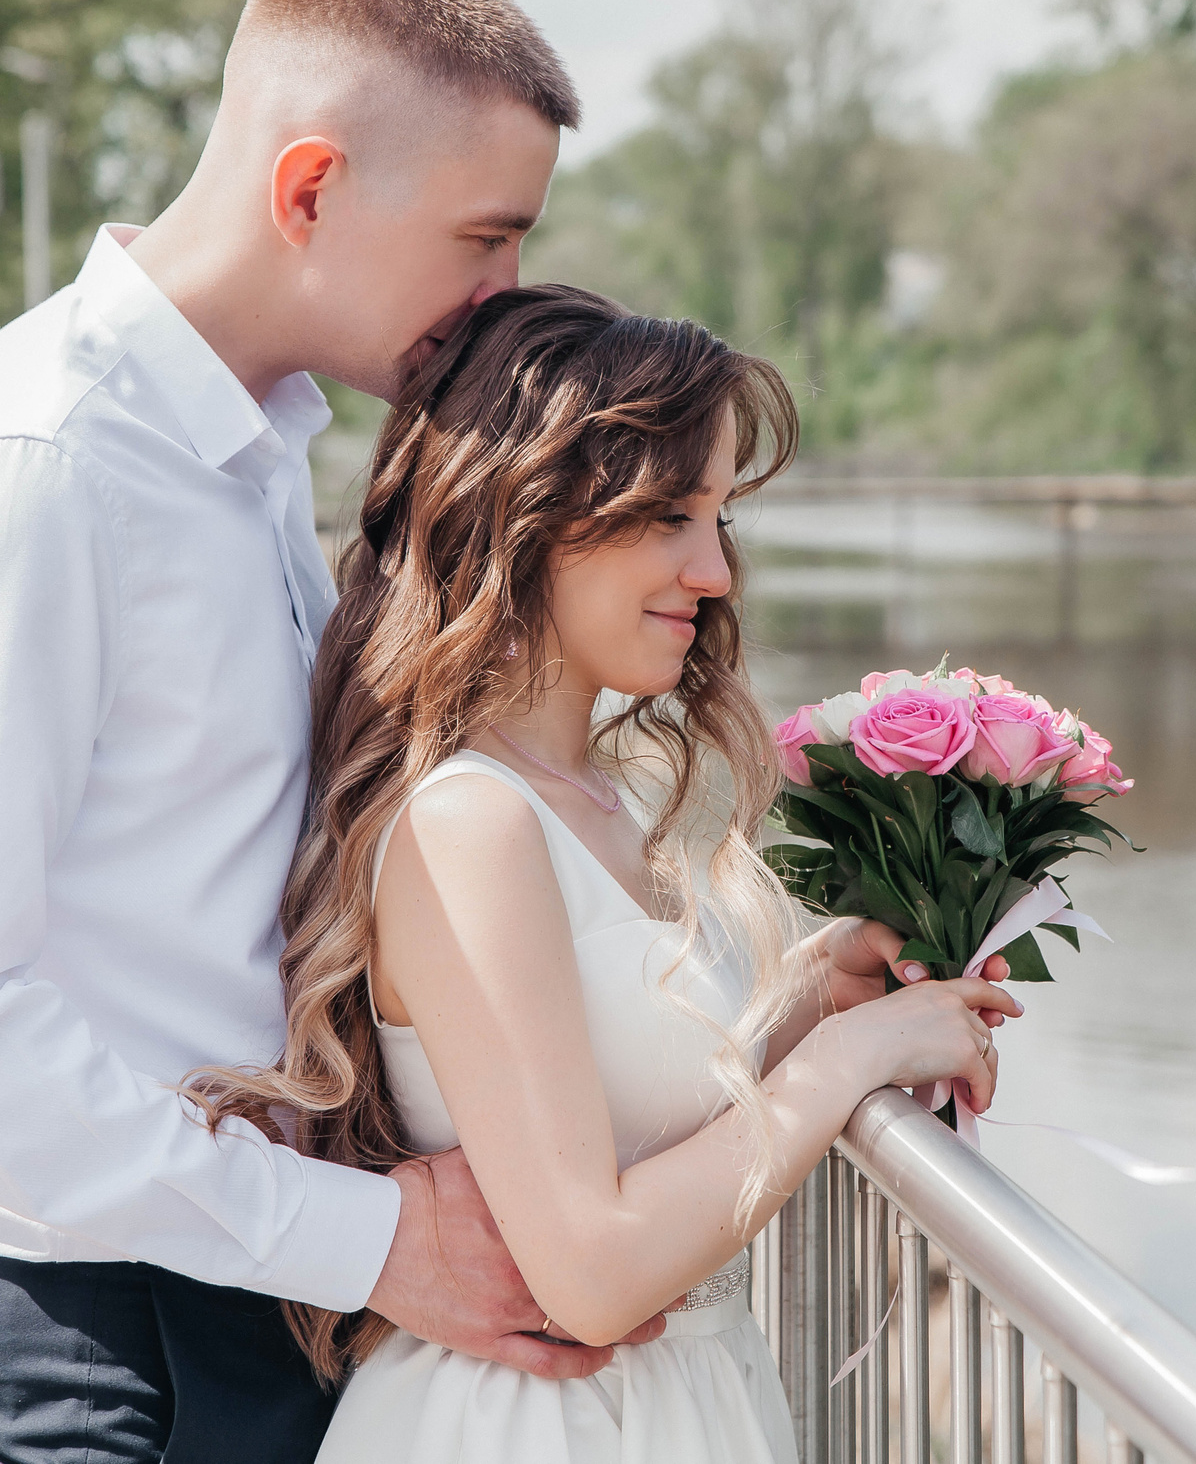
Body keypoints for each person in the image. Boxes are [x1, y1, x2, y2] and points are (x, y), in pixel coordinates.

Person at [0, 0, 646, 1463]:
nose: (504, 294)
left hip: (262, 1307)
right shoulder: (43, 476)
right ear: (311, 187)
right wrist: (365, 1236)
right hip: (117, 1353)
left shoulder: (254, 450)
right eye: (484, 239)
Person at [182, 285, 1022, 1462]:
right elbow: (588, 1270)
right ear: (529, 510)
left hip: (686, 1411)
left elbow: (629, 1109)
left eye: (721, 518)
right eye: (671, 515)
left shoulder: (605, 794)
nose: (715, 570)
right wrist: (851, 1061)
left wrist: (805, 1000)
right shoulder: (468, 823)